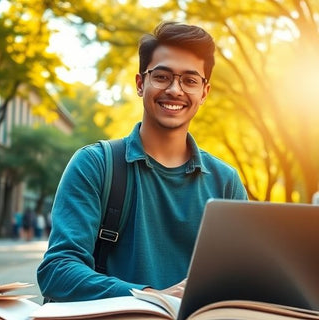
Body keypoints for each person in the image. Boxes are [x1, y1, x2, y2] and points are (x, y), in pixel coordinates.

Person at [37, 21, 248, 302]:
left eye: (190, 80)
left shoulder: (226, 182)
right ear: (140, 83)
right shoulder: (94, 165)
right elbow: (57, 270)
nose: (175, 89)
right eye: (162, 76)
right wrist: (151, 297)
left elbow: (242, 277)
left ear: (204, 92)